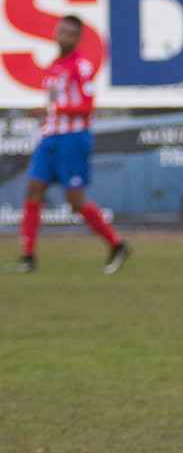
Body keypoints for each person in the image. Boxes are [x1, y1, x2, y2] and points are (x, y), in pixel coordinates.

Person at [4, 15, 129, 275]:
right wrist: (48, 114)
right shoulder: (54, 65)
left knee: (75, 201)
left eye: (70, 33)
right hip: (50, 137)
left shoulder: (81, 66)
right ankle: (28, 257)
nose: (64, 36)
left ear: (78, 38)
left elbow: (86, 107)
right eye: (61, 31)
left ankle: (117, 244)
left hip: (73, 138)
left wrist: (50, 109)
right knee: (33, 190)